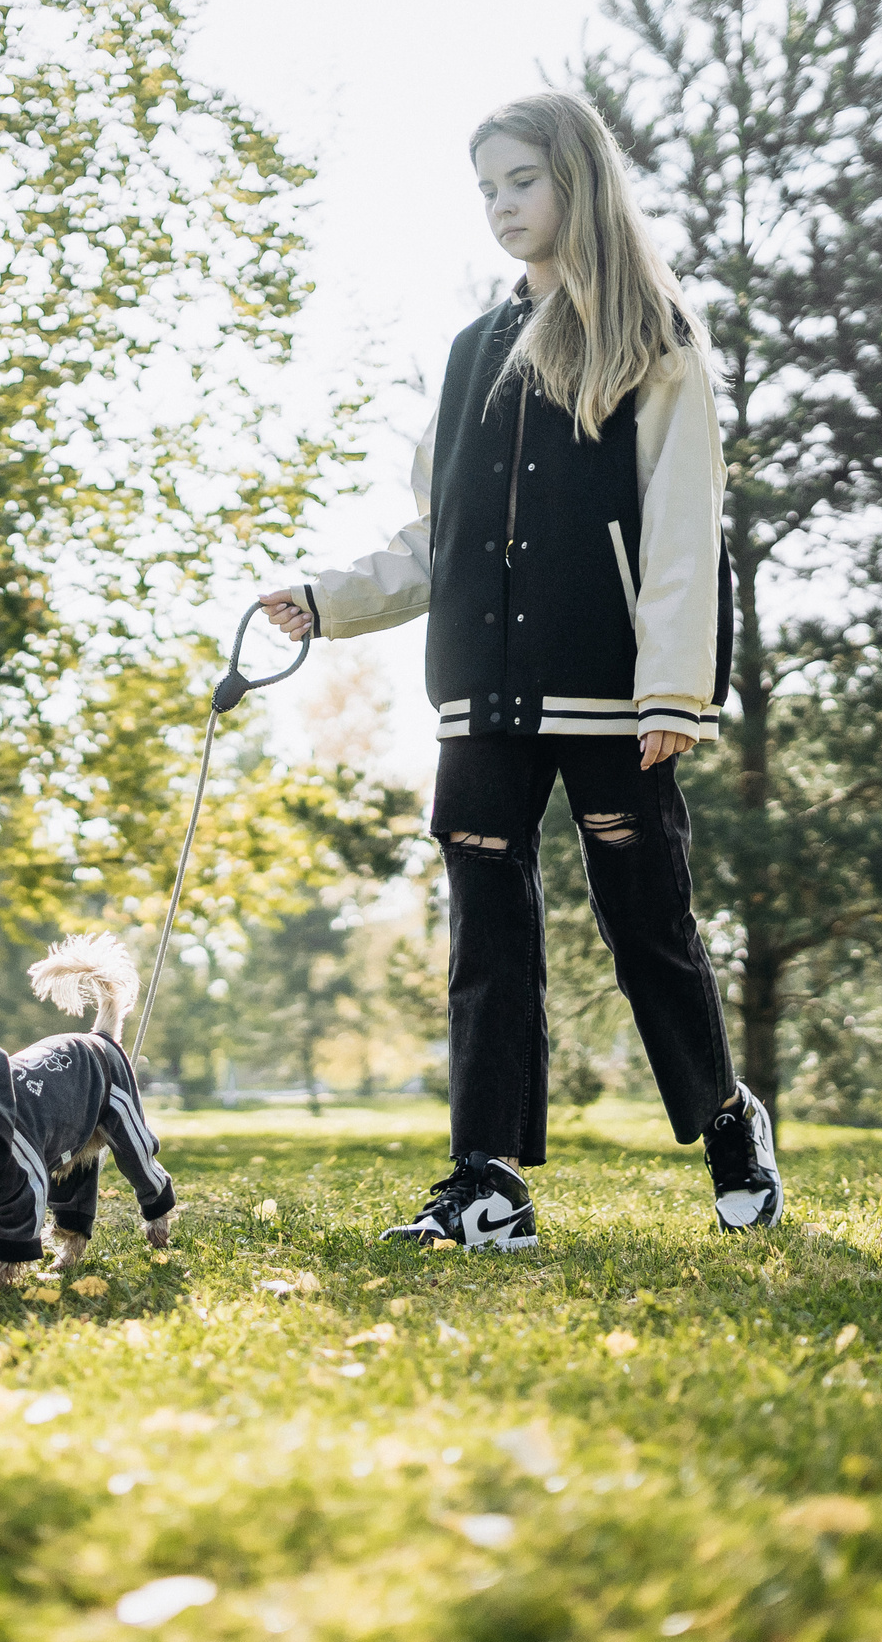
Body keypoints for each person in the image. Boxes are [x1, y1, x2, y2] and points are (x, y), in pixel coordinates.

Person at [260, 92, 782, 1250]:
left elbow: (685, 533)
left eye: (520, 182)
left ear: (575, 181)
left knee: (647, 926)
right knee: (487, 941)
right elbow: (431, 540)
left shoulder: (655, 341)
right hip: (478, 702)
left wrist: (673, 694)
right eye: (485, 188)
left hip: (615, 697)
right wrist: (327, 601)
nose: (500, 206)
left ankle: (727, 1121)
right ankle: (486, 1182)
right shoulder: (469, 355)